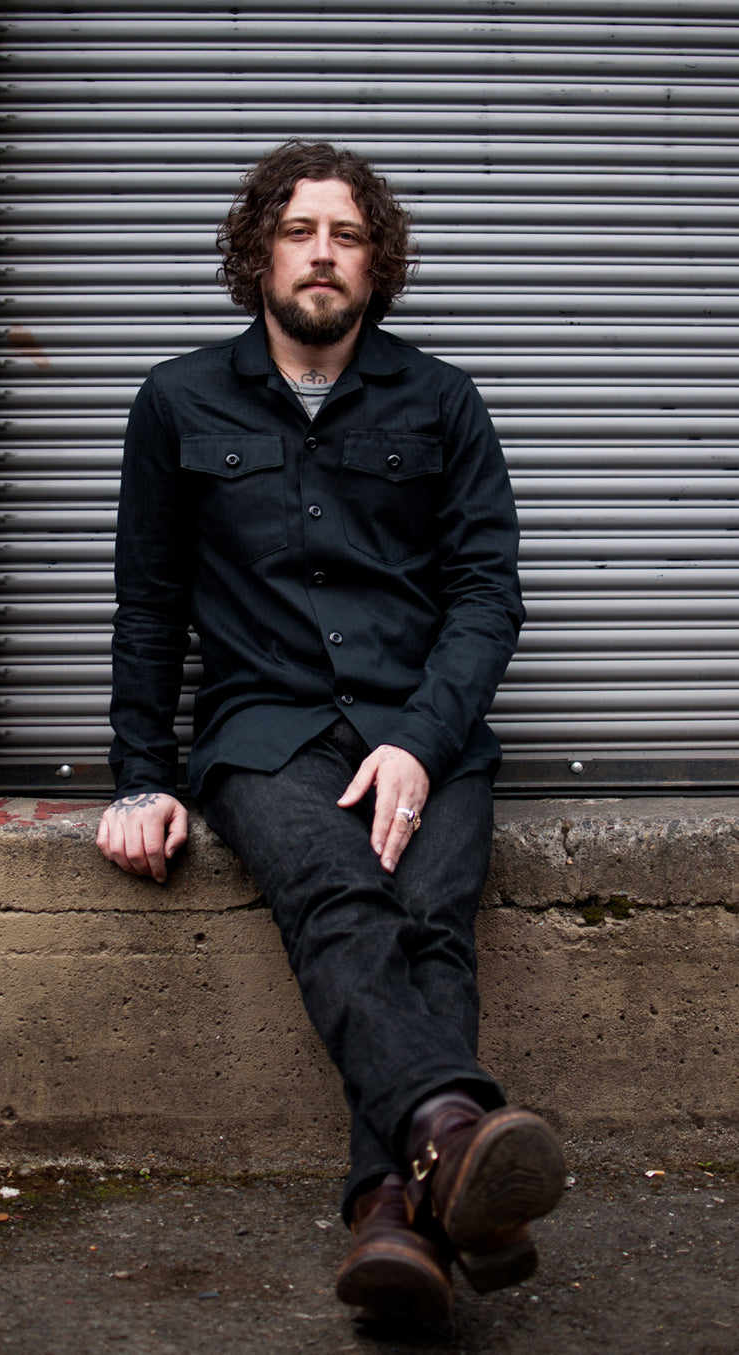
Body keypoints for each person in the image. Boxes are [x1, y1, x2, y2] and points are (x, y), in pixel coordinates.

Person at [97, 138, 565, 1326]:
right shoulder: (177, 400)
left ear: (377, 258)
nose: (321, 253)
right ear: (259, 249)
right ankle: (458, 1139)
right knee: (342, 900)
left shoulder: (442, 400)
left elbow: (487, 593)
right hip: (266, 733)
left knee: (429, 923)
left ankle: (392, 1214)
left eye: (346, 234)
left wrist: (419, 739)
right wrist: (142, 775)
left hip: (426, 724)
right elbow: (149, 601)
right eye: (300, 231)